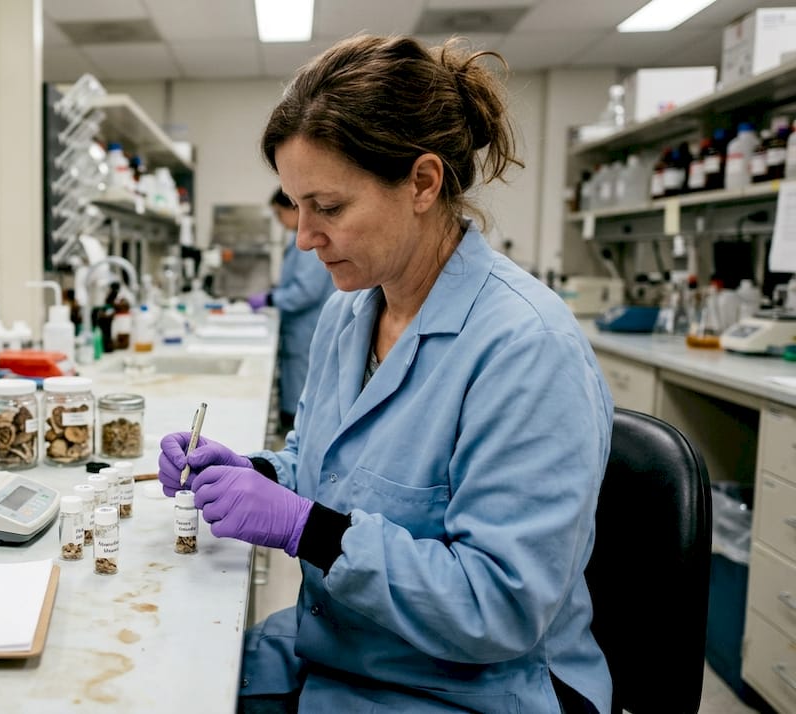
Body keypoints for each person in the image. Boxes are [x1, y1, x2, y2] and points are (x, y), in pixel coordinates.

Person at [159, 35, 613, 713]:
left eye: (329, 207)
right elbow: (327, 469)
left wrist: (304, 529)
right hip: (346, 643)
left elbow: (500, 607)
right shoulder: (352, 314)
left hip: (471, 684)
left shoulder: (526, 350)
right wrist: (254, 474)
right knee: (170, 679)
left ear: (423, 183)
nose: (304, 236)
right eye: (296, 205)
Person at [249, 190, 336, 433]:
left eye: (279, 213)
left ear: (294, 208)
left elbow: (305, 291)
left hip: (307, 329)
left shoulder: (308, 243)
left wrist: (270, 298)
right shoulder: (296, 240)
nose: (278, 220)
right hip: (298, 329)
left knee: (302, 399)